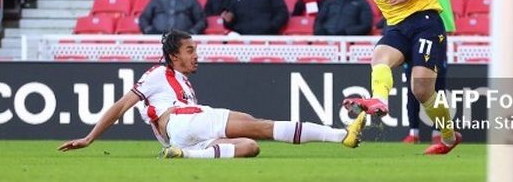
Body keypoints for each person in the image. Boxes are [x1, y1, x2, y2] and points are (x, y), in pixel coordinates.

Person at [58, 29, 365, 158]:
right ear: (173, 55)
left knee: (250, 147)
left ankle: (184, 156)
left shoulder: (180, 81)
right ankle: (341, 136)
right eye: (190, 50)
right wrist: (90, 137)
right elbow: (120, 106)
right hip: (181, 122)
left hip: (182, 137)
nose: (196, 56)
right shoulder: (156, 75)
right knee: (259, 126)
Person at [341, 0, 461, 155]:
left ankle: (449, 136)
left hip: (425, 21)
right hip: (396, 26)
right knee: (379, 57)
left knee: (421, 89)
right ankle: (379, 101)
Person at [399, 0, 490, 143]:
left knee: (437, 87)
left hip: (437, 34)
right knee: (413, 87)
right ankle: (413, 132)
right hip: (413, 35)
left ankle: (437, 132)